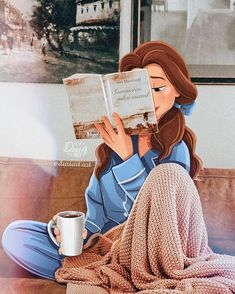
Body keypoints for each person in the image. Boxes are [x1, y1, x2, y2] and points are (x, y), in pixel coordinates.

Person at [2, 42, 234, 289]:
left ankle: (106, 273)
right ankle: (101, 270)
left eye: (157, 87)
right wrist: (74, 232)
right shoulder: (110, 150)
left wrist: (128, 158)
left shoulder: (176, 152)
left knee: (145, 250)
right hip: (107, 252)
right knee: (16, 234)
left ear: (177, 90)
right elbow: (96, 222)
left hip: (153, 254)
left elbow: (160, 220)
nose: (150, 98)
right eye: (141, 91)